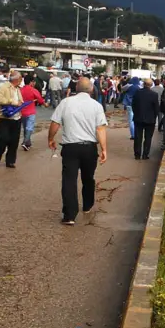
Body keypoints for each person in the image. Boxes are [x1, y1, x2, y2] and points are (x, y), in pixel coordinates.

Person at [48, 77, 108, 226]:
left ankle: (69, 215)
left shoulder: (65, 102)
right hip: (89, 148)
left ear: (76, 88)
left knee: (69, 180)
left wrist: (51, 139)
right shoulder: (96, 106)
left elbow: (55, 123)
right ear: (92, 89)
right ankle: (87, 205)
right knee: (88, 178)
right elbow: (100, 129)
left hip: (70, 147)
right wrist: (104, 149)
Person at [0, 70, 26, 169]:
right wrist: (13, 102)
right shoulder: (3, 87)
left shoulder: (18, 89)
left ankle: (10, 161)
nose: (21, 81)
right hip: (4, 118)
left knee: (14, 141)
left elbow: (20, 100)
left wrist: (21, 103)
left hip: (17, 118)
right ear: (17, 79)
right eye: (20, 79)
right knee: (3, 139)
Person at [131, 79, 160, 160]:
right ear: (151, 85)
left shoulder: (137, 92)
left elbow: (133, 104)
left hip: (138, 118)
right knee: (148, 138)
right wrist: (154, 117)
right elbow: (156, 108)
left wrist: (136, 113)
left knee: (138, 137)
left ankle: (137, 154)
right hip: (150, 120)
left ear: (143, 84)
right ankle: (145, 154)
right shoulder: (154, 94)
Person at [20, 77, 47, 151]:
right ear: (31, 82)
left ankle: (28, 144)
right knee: (29, 127)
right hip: (30, 112)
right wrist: (45, 104)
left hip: (22, 112)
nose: (34, 83)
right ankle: (25, 142)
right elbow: (40, 100)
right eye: (34, 82)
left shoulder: (20, 90)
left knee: (25, 128)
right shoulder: (33, 90)